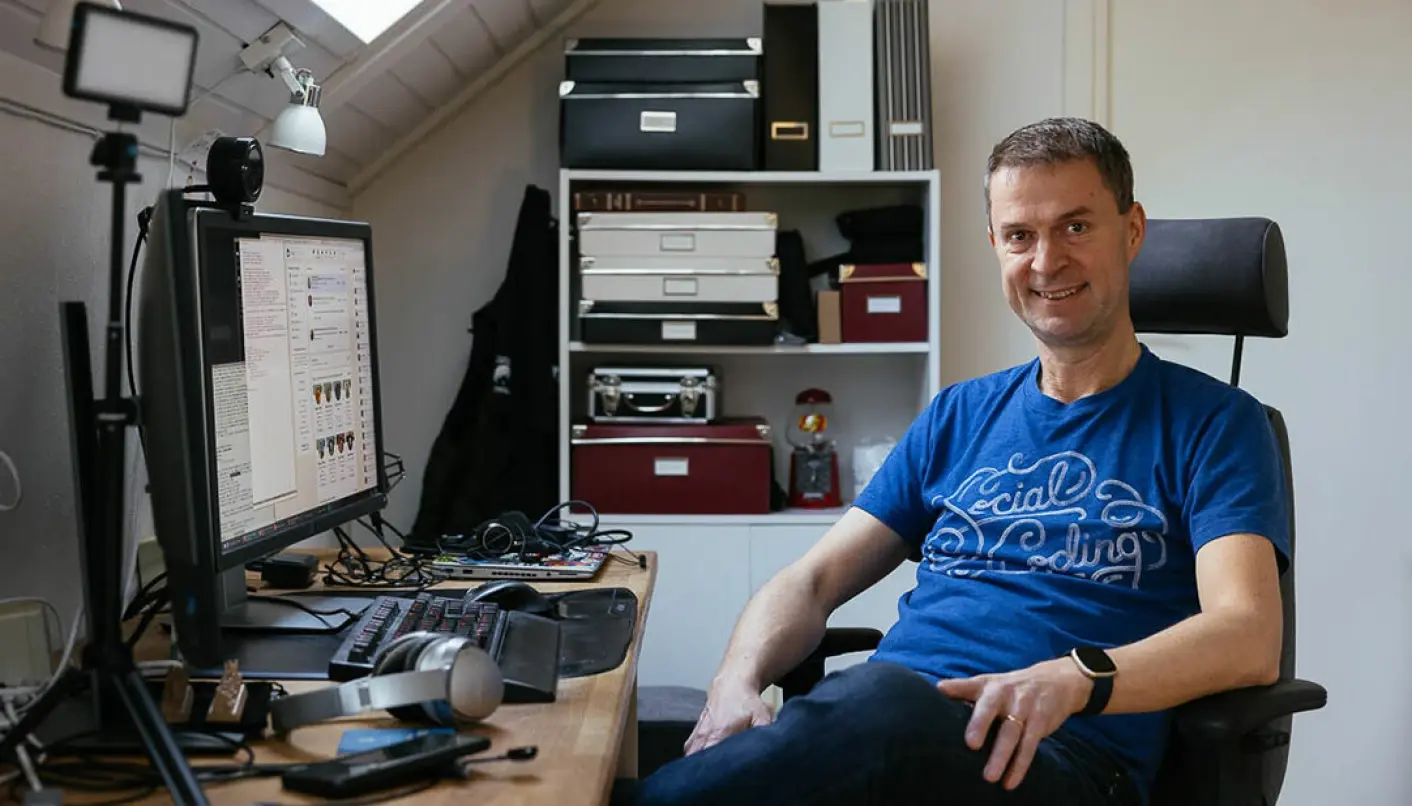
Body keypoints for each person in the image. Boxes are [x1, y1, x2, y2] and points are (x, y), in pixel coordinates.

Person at [623, 117, 1290, 806]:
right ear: (997, 246)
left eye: (1076, 227)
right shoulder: (959, 415)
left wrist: (1074, 679)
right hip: (890, 739)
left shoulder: (1217, 424)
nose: (1045, 261)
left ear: (1132, 231)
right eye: (1019, 235)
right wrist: (735, 680)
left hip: (1063, 760)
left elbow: (1247, 634)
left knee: (878, 700)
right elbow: (813, 580)